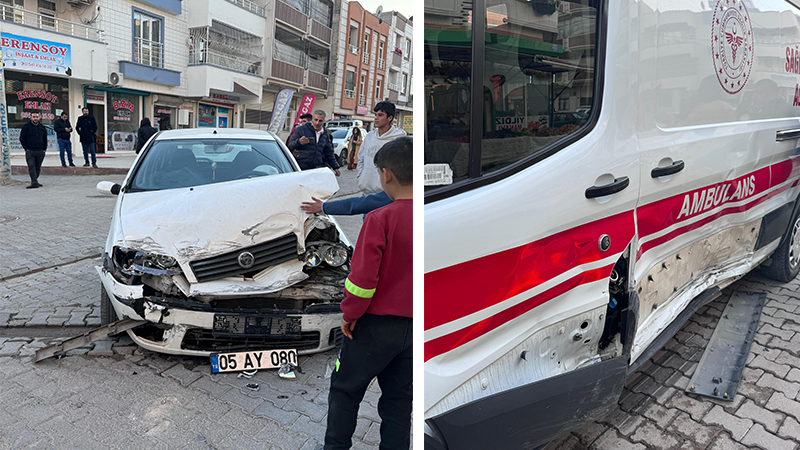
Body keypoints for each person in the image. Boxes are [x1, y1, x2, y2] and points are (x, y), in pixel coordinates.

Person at [322, 136, 413, 450]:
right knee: (399, 401)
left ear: (386, 174)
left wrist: (350, 316)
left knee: (345, 390)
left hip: (373, 326)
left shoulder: (380, 219)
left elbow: (362, 281)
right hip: (414, 328)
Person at [357, 102, 407, 194]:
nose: (376, 118)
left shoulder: (398, 138)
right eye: (375, 115)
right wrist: (361, 176)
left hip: (387, 193)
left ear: (390, 118)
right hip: (366, 190)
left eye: (380, 115)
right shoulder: (369, 137)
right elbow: (361, 158)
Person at [286, 109, 340, 176]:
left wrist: (335, 167)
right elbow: (290, 145)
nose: (317, 123)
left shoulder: (325, 133)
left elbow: (329, 152)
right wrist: (299, 141)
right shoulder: (301, 129)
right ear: (312, 119)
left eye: (320, 121)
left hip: (316, 168)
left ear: (323, 121)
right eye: (316, 120)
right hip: (300, 168)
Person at [19, 112, 48, 189]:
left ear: (39, 117)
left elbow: (45, 139)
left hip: (40, 151)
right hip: (30, 151)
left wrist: (44, 149)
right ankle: (34, 181)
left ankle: (35, 180)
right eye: (34, 117)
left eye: (37, 117)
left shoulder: (42, 127)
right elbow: (22, 138)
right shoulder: (26, 127)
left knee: (38, 167)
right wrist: (26, 149)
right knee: (31, 166)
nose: (35, 118)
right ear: (30, 117)